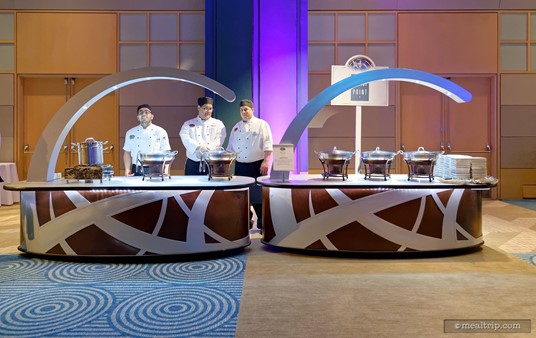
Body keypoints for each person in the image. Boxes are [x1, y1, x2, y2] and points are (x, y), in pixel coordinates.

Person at [227, 99, 273, 229]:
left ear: (252, 110)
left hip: (257, 165)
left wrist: (266, 161)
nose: (243, 112)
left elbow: (268, 144)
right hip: (240, 166)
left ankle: (262, 221)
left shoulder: (262, 124)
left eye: (246, 109)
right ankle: (246, 220)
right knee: (242, 195)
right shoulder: (236, 127)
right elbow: (230, 148)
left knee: (258, 194)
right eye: (241, 110)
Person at [179, 97, 227, 175]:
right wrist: (199, 147)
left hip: (212, 162)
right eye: (205, 108)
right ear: (198, 108)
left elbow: (219, 139)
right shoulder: (188, 123)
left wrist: (208, 150)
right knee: (192, 186)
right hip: (193, 163)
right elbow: (185, 137)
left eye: (210, 109)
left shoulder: (218, 123)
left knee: (212, 186)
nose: (208, 111)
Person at [123, 104, 171, 176]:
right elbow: (127, 153)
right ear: (138, 117)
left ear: (152, 116)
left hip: (156, 168)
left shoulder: (161, 131)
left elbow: (166, 152)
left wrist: (166, 170)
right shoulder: (130, 133)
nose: (143, 114)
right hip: (136, 168)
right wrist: (127, 169)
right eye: (141, 112)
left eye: (146, 112)